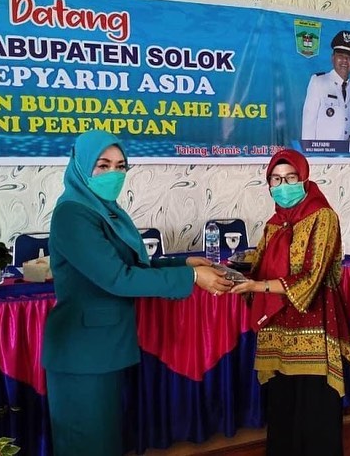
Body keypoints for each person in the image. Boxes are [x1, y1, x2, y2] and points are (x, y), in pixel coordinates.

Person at [42, 130, 233, 456]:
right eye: (103, 165)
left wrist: (183, 261)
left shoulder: (105, 210)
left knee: (105, 443)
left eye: (120, 166)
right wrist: (190, 277)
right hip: (83, 353)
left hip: (104, 348)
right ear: (81, 165)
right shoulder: (73, 213)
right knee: (87, 445)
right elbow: (118, 278)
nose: (113, 174)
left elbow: (131, 264)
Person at [230, 148, 350, 456]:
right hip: (279, 335)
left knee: (315, 421)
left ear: (304, 179)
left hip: (316, 329)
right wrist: (233, 275)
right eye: (276, 179)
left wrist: (258, 285)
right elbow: (262, 266)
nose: (282, 185)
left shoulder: (323, 217)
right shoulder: (274, 223)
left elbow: (312, 277)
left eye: (290, 178)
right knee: (283, 417)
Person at [301, 30, 350, 141]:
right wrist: (308, 150)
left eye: (349, 57)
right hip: (321, 152)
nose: (345, 60)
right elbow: (308, 125)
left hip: (347, 152)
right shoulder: (318, 82)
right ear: (332, 58)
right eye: (340, 55)